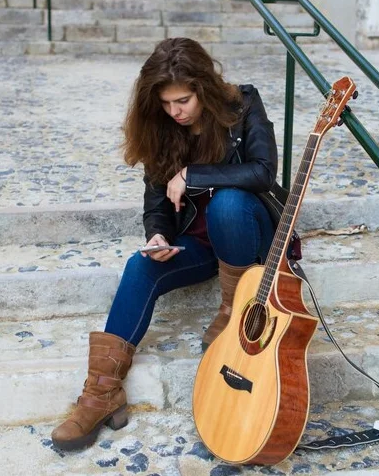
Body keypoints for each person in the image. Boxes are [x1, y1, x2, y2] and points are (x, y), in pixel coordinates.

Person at [51, 38, 282, 451]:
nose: (176, 111)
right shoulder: (162, 130)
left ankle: (231, 309)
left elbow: (263, 173)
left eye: (184, 100)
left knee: (227, 204)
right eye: (166, 103)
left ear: (204, 89)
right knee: (140, 266)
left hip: (248, 234)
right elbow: (156, 206)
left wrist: (194, 173)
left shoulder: (243, 105)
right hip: (200, 247)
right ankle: (101, 393)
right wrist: (156, 236)